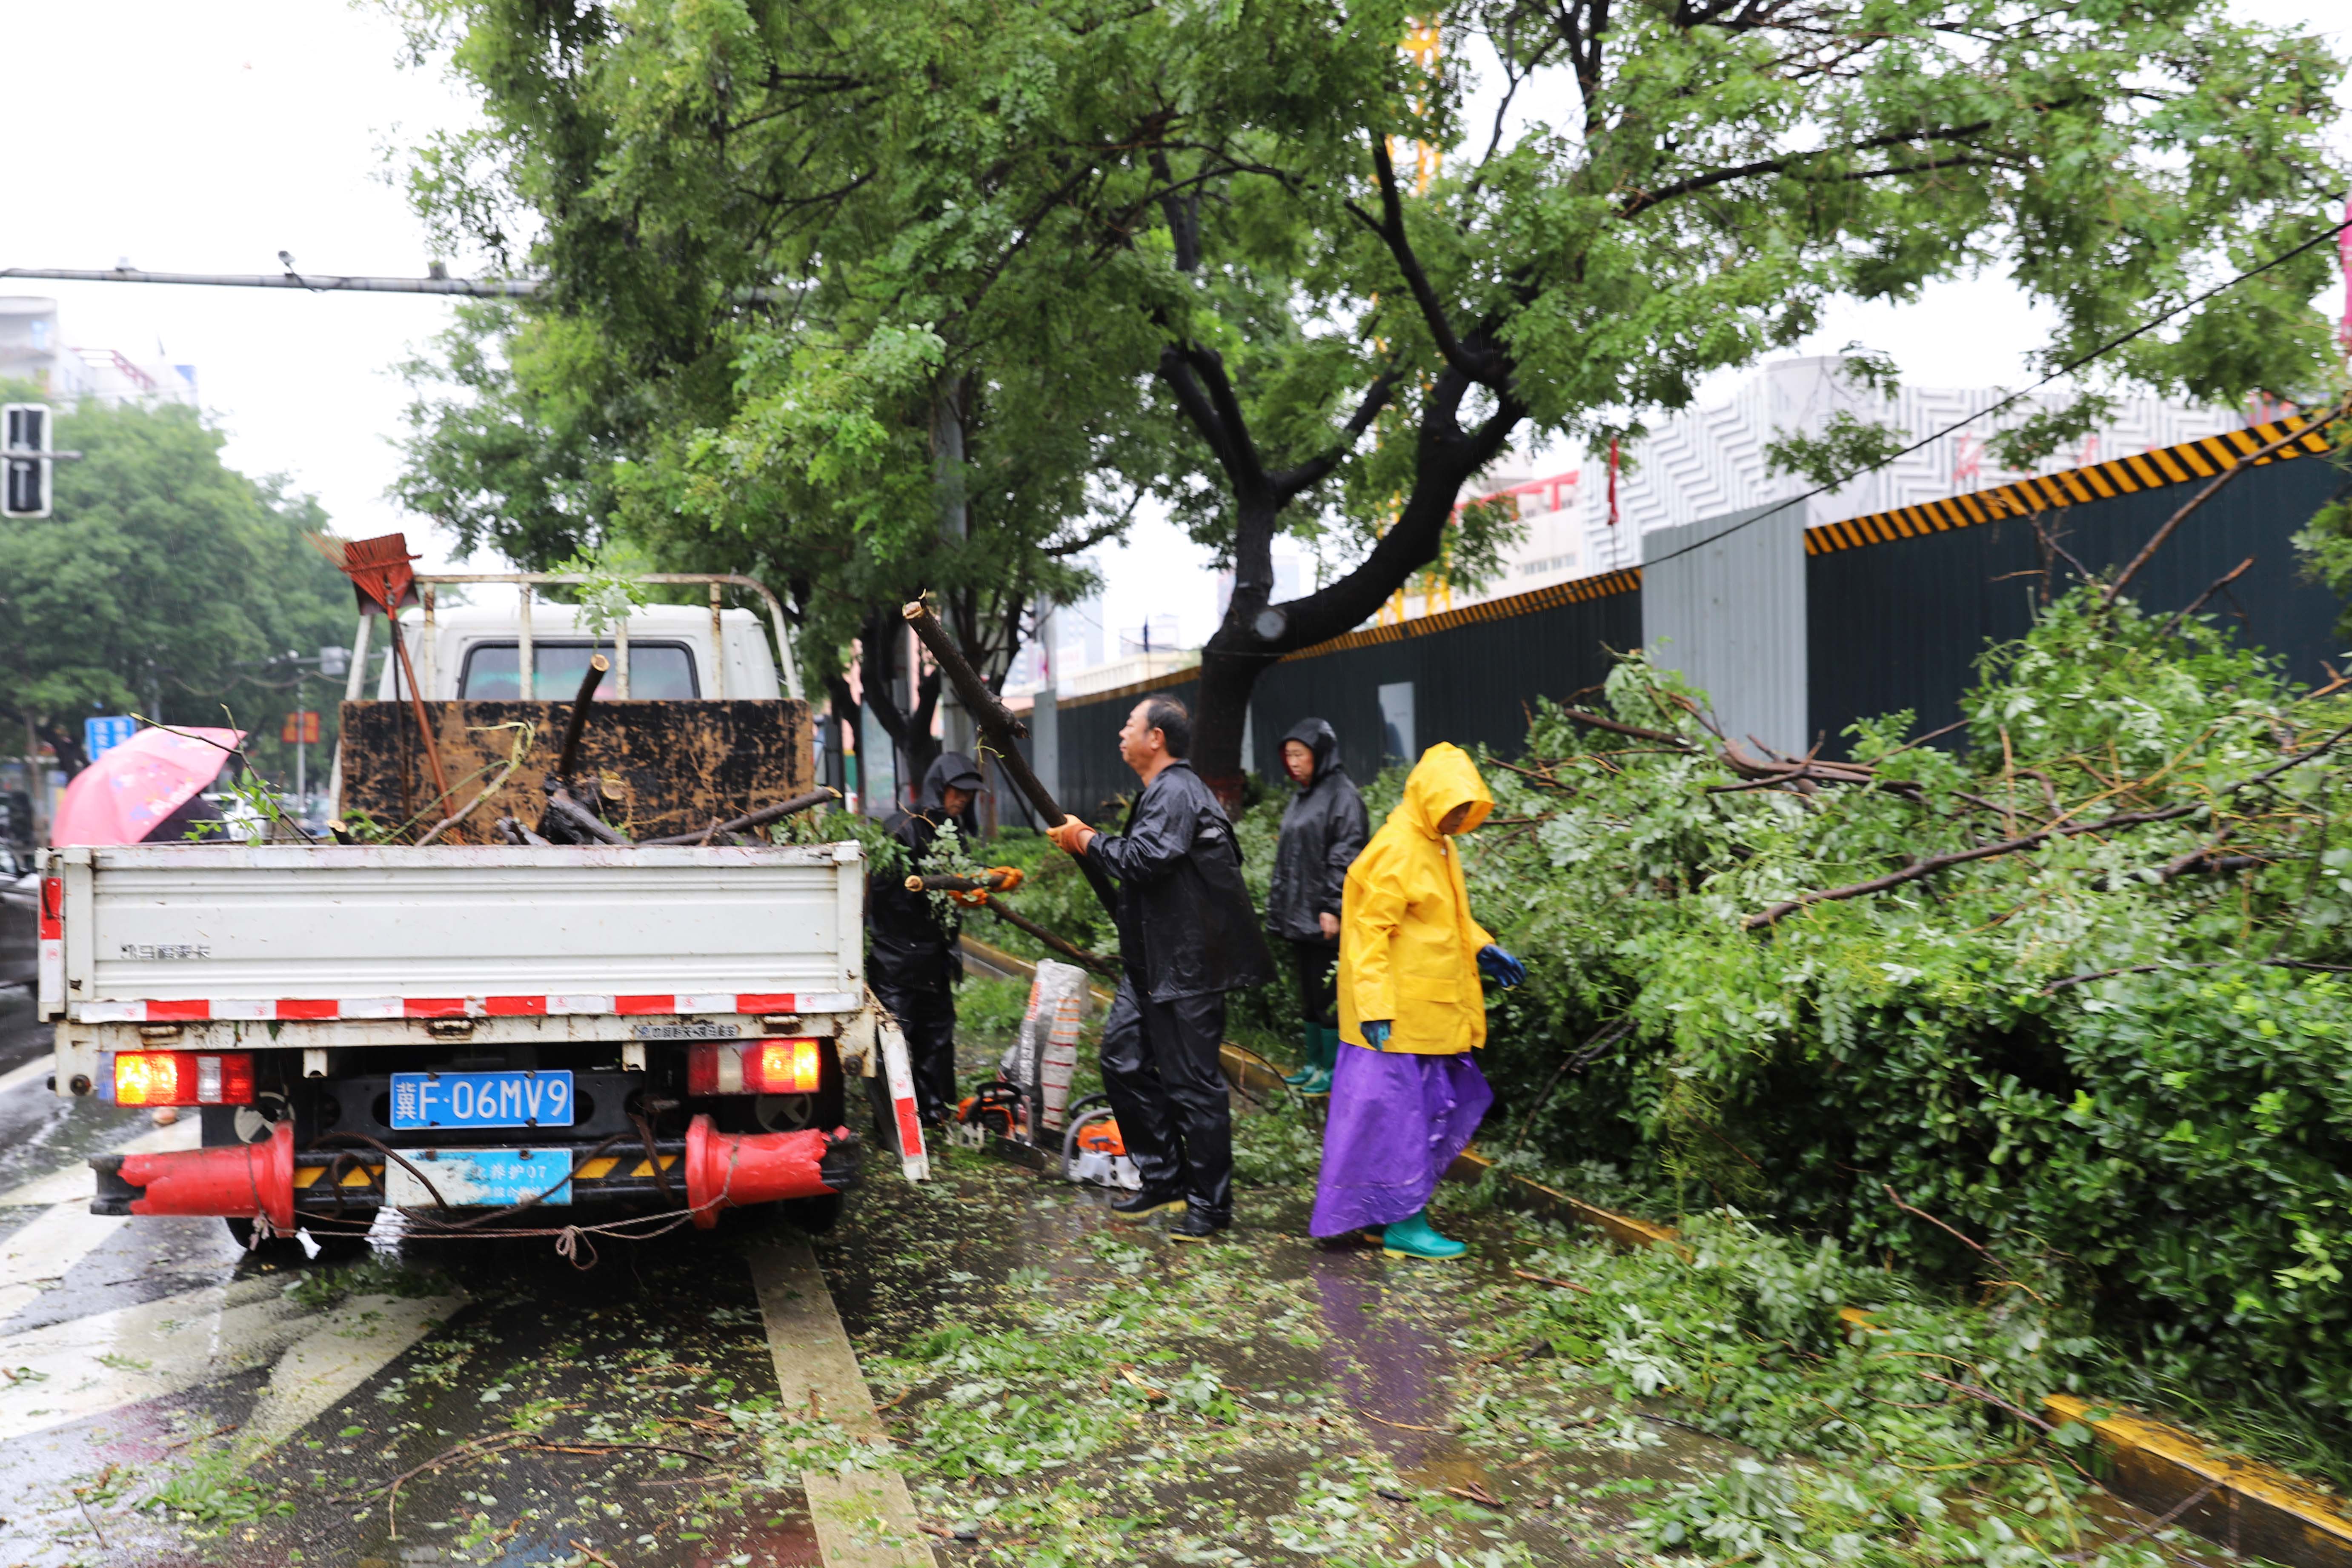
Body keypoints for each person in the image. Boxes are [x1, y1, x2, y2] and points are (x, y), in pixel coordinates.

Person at [1046, 695, 1274, 1241]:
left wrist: (1085, 839)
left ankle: (1211, 1207)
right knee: (1123, 1060)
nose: (1121, 734)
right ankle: (1165, 1178)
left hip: (1188, 969)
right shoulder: (1162, 792)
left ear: (1157, 739)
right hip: (1152, 966)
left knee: (1194, 1086)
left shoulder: (1177, 790)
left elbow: (1145, 860)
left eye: (1130, 725)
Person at [1311, 742, 1526, 1261]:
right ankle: (1406, 1225)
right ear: (1430, 797)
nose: (1458, 819)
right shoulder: (1398, 849)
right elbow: (1368, 935)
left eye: (1465, 809)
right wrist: (1376, 1008)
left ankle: (1383, 1218)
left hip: (1422, 1015)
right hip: (1396, 1021)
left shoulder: (1436, 845)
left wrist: (1482, 947)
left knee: (1394, 1120)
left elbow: (1441, 919)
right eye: (1452, 807)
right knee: (1401, 1123)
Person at [867, 752, 987, 1129]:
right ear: (940, 787)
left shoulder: (954, 835)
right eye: (958, 791)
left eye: (970, 794)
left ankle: (934, 1111)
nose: (963, 799)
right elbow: (881, 897)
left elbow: (956, 888)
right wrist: (922, 895)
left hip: (935, 956)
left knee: (937, 1036)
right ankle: (893, 1123)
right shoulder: (901, 830)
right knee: (895, 1039)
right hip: (897, 958)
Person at [1264, 719, 1368, 1096]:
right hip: (1299, 914)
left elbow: (1347, 854)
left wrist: (1333, 907)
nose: (1292, 763)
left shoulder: (1344, 796)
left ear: (1320, 754)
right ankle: (1314, 1063)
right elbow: (1290, 857)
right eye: (1288, 756)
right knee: (1309, 994)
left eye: (1299, 755)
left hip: (1325, 917)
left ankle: (1333, 1068)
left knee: (1328, 996)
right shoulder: (1303, 795)